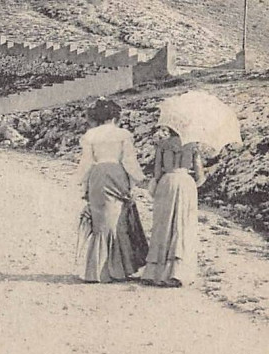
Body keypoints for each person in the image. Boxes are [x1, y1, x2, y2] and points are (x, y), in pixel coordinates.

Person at [77, 98, 148, 283]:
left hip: (98, 175)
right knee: (118, 219)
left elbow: (86, 163)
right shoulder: (123, 134)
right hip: (116, 173)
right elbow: (128, 160)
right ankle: (119, 269)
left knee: (101, 222)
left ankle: (96, 271)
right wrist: (138, 180)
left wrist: (83, 184)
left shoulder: (90, 135)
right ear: (115, 117)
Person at [142, 129, 205, 288]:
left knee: (163, 224)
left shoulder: (162, 144)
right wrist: (195, 182)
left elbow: (156, 173)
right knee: (182, 225)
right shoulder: (193, 146)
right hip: (185, 183)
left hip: (167, 182)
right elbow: (199, 176)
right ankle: (177, 272)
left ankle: (154, 272)